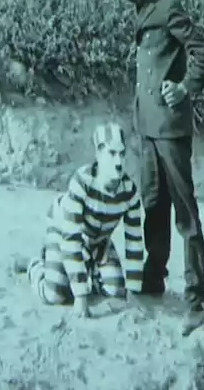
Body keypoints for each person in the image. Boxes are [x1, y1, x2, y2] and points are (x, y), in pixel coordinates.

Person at [95, 0, 204, 329]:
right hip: (148, 127)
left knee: (185, 213)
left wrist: (184, 88)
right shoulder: (146, 7)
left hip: (170, 129)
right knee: (153, 204)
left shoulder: (168, 7)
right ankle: (154, 279)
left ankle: (195, 302)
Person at [23, 123, 146, 318]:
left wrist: (133, 291)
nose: (118, 161)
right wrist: (81, 296)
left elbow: (135, 242)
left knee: (116, 292)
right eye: (112, 153)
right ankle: (34, 266)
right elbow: (70, 237)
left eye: (122, 154)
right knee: (54, 295)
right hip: (64, 234)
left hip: (99, 242)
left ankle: (86, 273)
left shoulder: (129, 192)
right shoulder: (82, 181)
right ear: (98, 154)